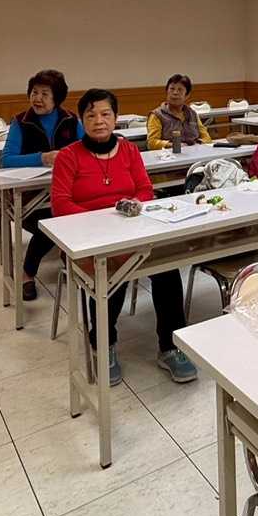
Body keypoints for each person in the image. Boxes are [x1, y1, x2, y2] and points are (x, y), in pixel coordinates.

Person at [51, 88, 197, 388]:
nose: (99, 121)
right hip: (89, 239)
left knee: (167, 268)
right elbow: (60, 204)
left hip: (132, 231)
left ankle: (170, 346)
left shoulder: (129, 151)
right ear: (82, 120)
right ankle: (103, 344)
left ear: (115, 118)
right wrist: (103, 221)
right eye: (91, 115)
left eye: (105, 114)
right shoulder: (68, 156)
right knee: (109, 272)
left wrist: (133, 206)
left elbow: (145, 189)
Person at [0, 68, 80, 302]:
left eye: (45, 94)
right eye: (34, 92)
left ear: (57, 98)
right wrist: (42, 158)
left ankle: (74, 259)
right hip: (29, 197)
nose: (38, 98)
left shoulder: (70, 119)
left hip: (66, 192)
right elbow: (6, 160)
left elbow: (84, 148)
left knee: (81, 212)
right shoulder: (21, 122)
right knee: (51, 223)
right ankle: (27, 273)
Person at [146, 73, 212, 151]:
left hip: (195, 153)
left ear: (187, 95)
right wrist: (174, 145)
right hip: (169, 155)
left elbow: (207, 138)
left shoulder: (192, 114)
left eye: (180, 90)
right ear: (167, 92)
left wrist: (198, 144)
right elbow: (152, 143)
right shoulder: (157, 115)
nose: (175, 93)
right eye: (172, 89)